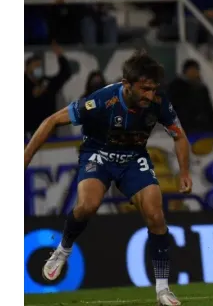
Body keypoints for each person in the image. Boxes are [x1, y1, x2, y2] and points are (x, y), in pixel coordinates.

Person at [23, 51, 193, 306]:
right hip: (98, 155)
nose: (150, 95)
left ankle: (162, 290)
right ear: (127, 85)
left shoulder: (159, 102)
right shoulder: (102, 100)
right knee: (87, 206)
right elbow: (51, 121)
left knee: (156, 215)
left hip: (133, 158)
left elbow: (179, 136)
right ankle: (63, 249)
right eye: (144, 89)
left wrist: (185, 172)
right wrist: (24, 158)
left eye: (153, 89)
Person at [24, 42, 72, 138]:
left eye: (39, 66)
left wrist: (60, 56)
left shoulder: (47, 83)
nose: (38, 69)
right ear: (27, 68)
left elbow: (65, 73)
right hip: (28, 132)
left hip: (49, 131)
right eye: (35, 66)